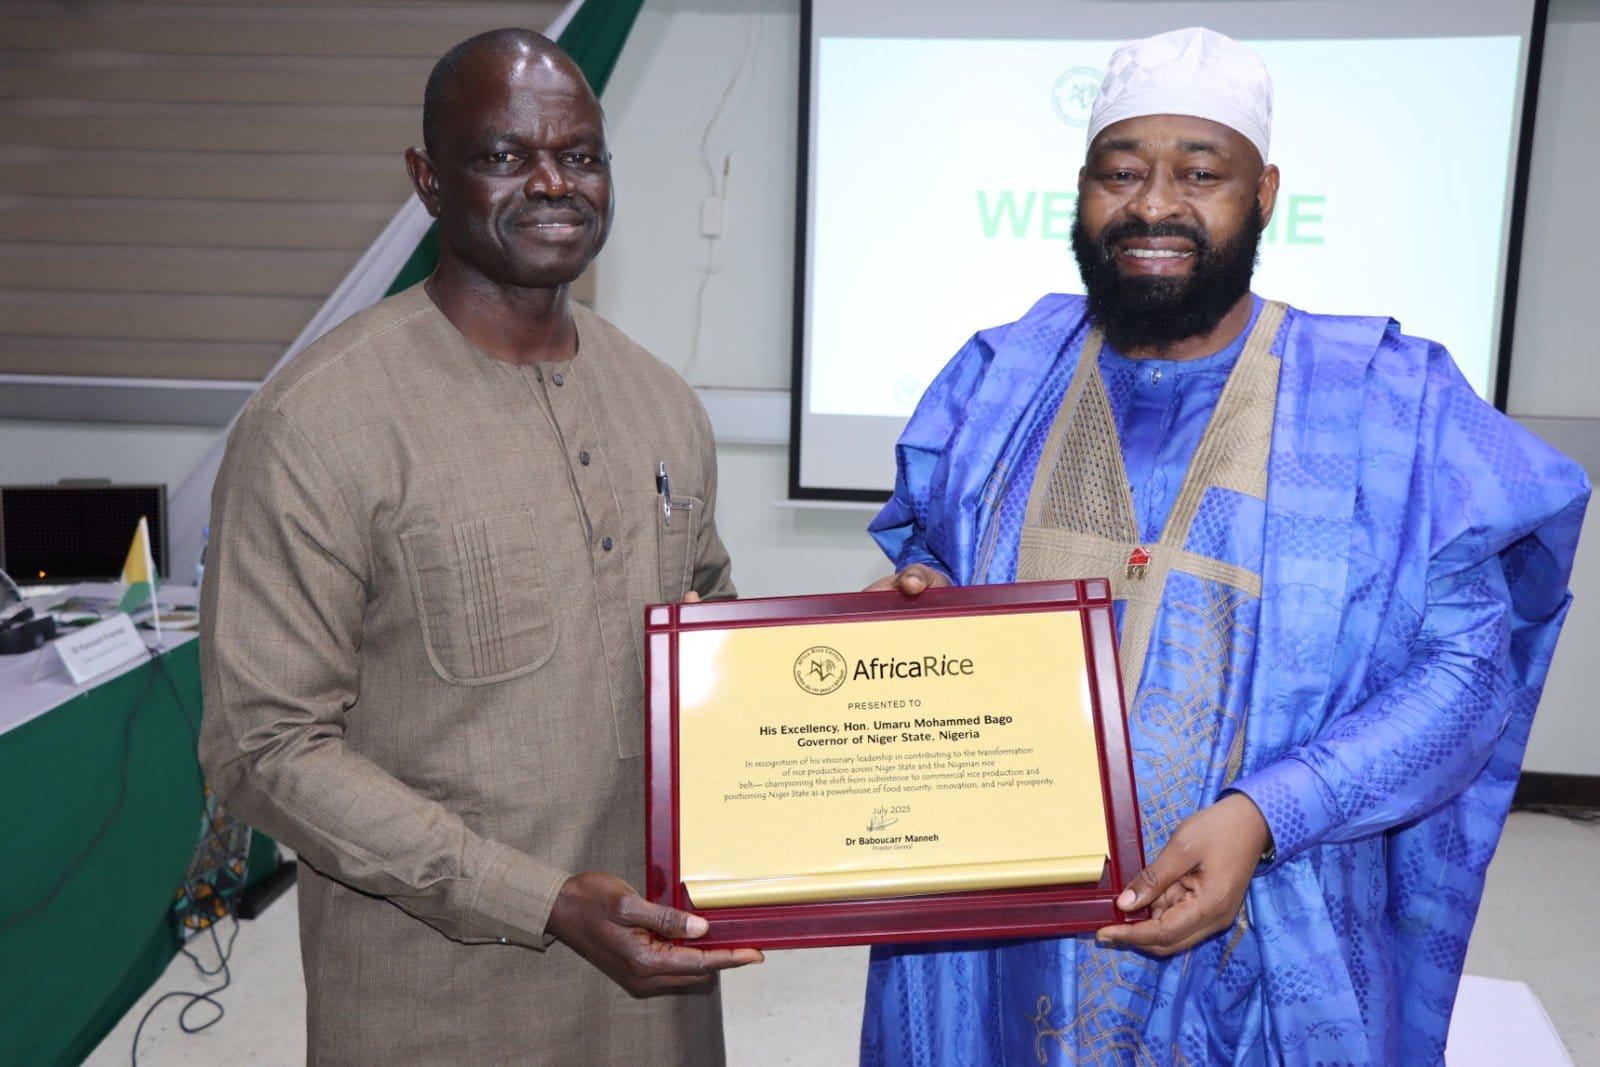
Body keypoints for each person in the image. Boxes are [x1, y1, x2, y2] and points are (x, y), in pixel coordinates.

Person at [858, 26, 1588, 1067]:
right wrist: (917, 598)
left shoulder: (1383, 400)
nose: (1154, 206)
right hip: (996, 931)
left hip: (1271, 924)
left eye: (1200, 174)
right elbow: (928, 557)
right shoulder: (996, 379)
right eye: (1121, 172)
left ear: (1264, 193)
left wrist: (1268, 813)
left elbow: (1467, 672)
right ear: (1082, 190)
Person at [198, 29, 761, 1066]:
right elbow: (263, 748)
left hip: (657, 993)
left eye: (580, 155)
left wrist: (868, 654)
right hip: (436, 1002)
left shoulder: (660, 401)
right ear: (429, 179)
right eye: (505, 155)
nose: (553, 183)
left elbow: (715, 647)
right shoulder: (320, 422)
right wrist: (533, 897)